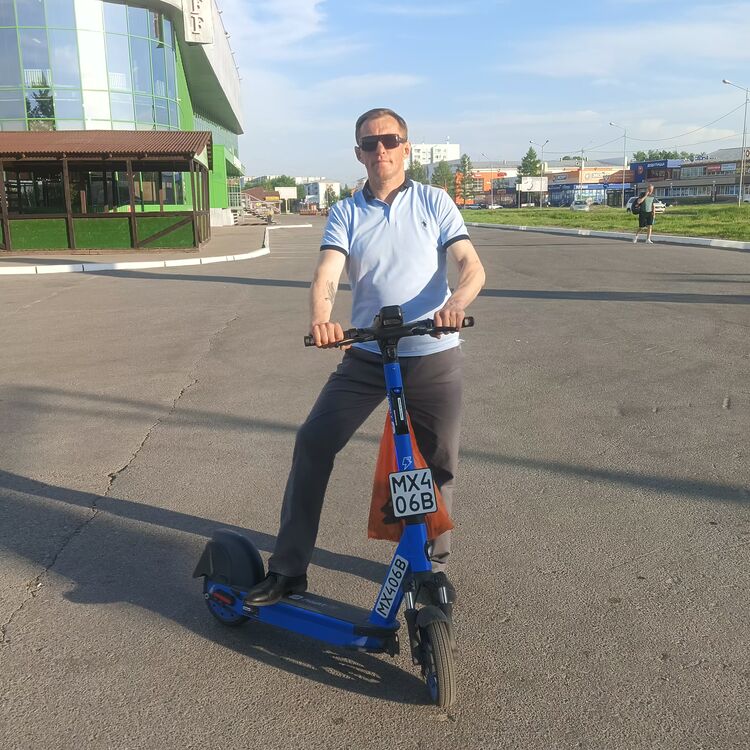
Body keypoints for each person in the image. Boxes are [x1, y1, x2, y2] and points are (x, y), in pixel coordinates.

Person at [245, 107, 486, 606]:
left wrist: (456, 304)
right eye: (370, 143)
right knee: (313, 442)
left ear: (406, 148)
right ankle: (288, 568)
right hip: (369, 354)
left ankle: (431, 568)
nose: (381, 150)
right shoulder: (346, 212)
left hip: (432, 350)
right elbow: (327, 274)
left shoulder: (434, 201)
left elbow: (470, 265)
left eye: (390, 141)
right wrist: (322, 319)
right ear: (359, 154)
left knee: (438, 460)